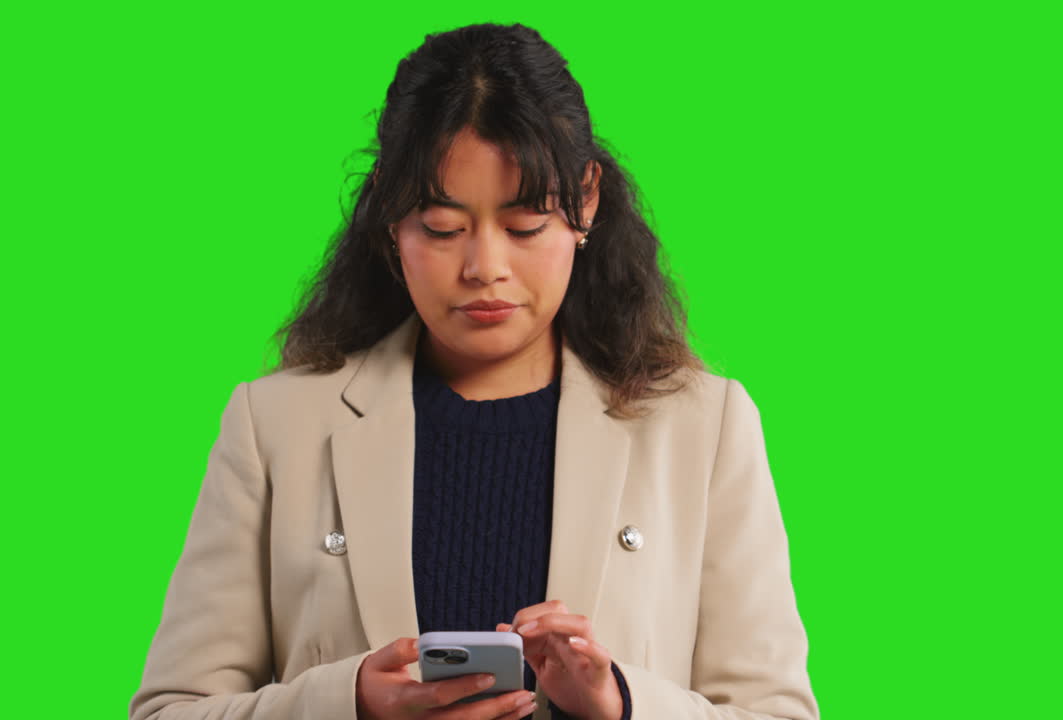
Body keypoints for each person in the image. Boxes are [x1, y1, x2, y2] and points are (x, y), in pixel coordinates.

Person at [129, 21, 818, 720]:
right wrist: (349, 703)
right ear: (389, 213)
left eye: (525, 225)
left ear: (586, 201)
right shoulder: (275, 424)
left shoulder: (704, 427)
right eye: (442, 227)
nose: (485, 267)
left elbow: (777, 712)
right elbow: (168, 711)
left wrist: (620, 703)